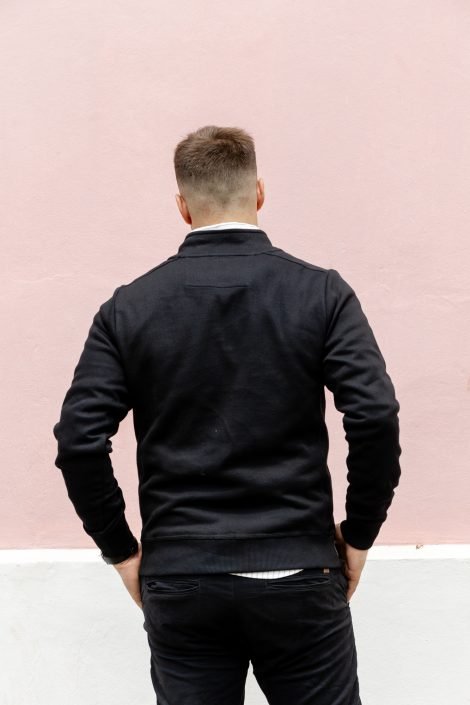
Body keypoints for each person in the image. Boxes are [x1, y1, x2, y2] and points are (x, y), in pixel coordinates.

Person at [53, 125, 401, 705]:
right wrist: (359, 533)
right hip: (297, 568)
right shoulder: (322, 294)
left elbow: (79, 441)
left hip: (181, 574)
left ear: (182, 206)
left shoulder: (129, 308)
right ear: (259, 192)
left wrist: (122, 551)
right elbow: (375, 415)